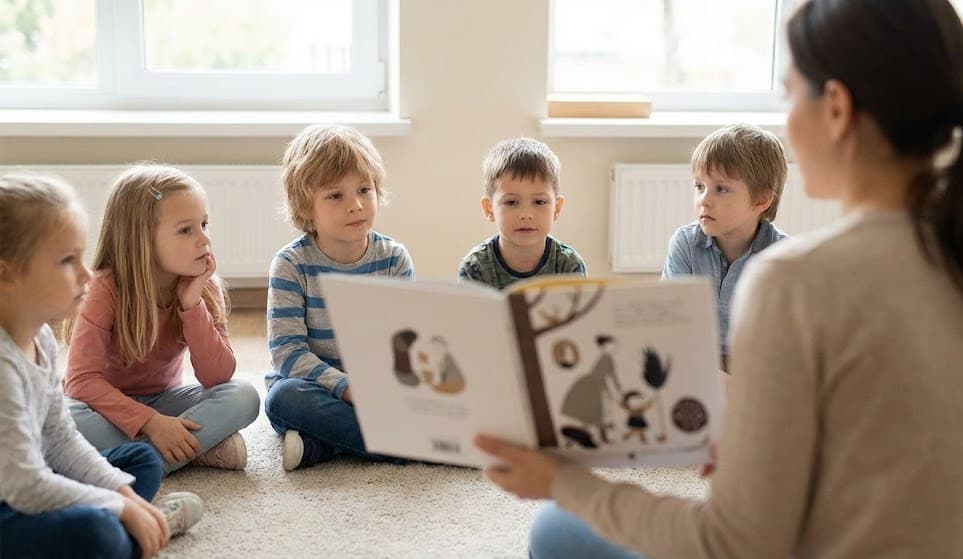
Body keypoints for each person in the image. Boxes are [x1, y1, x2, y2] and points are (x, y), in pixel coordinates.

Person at [476, 1, 963, 557]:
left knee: (554, 528)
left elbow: (732, 545)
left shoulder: (795, 282)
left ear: (835, 108)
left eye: (787, 93)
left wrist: (563, 482)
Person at [0, 174, 203, 558]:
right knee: (97, 533)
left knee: (140, 462)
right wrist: (120, 506)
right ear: (6, 273)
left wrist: (123, 495)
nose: (86, 275)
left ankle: (132, 526)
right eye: (66, 260)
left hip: (33, 474)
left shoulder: (40, 337)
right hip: (13, 494)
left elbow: (60, 438)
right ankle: (129, 530)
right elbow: (24, 484)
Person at [63, 164, 260, 474]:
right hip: (102, 407)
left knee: (244, 396)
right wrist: (151, 424)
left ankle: (130, 463)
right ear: (140, 238)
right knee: (61, 416)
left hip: (166, 400)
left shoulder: (204, 285)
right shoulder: (104, 289)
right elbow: (81, 382)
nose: (204, 240)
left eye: (204, 225)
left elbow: (218, 377)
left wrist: (192, 305)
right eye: (186, 230)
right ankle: (193, 451)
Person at [264, 124, 415, 471]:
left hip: (380, 391)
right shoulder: (291, 265)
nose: (356, 205)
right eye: (336, 196)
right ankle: (408, 444)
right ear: (306, 207)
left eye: (365, 189)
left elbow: (403, 344)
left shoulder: (394, 258)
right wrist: (346, 387)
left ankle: (322, 447)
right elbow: (287, 354)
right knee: (282, 400)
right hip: (317, 388)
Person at [662, 124, 789, 368]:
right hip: (693, 364)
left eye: (721, 189)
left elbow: (779, 347)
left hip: (752, 371)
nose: (704, 201)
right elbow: (671, 327)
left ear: (761, 199)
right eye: (699, 187)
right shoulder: (685, 244)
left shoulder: (782, 258)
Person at [458, 138, 586, 289]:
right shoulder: (475, 267)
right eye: (511, 202)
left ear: (556, 209)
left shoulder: (568, 266)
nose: (526, 214)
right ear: (489, 209)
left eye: (539, 202)